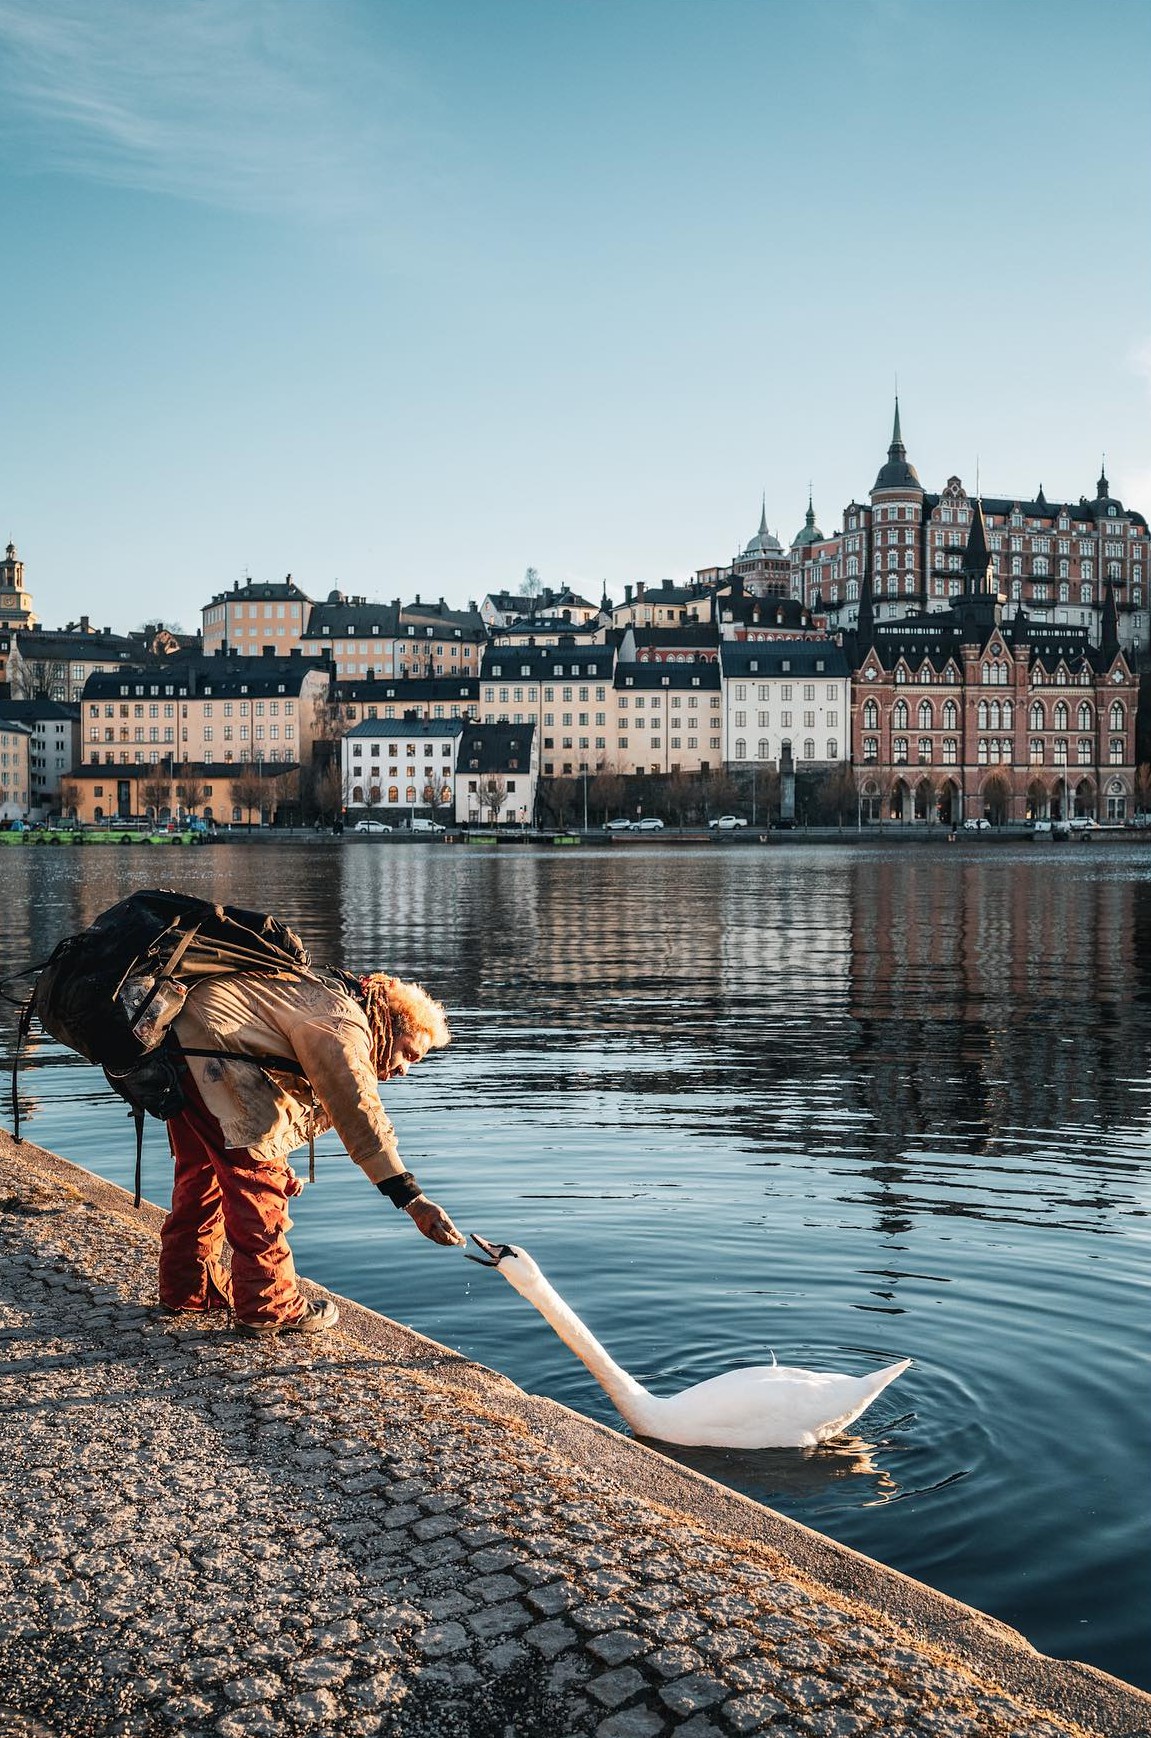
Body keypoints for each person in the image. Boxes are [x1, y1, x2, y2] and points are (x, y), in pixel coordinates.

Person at [158, 967, 464, 1335]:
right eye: (408, 1054)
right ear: (391, 1026)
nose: (405, 1070)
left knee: (201, 1175)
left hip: (181, 1049)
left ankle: (190, 1288)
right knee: (258, 1186)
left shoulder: (326, 999)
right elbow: (359, 1112)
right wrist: (413, 1199)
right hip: (214, 1053)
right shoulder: (344, 1023)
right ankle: (270, 1306)